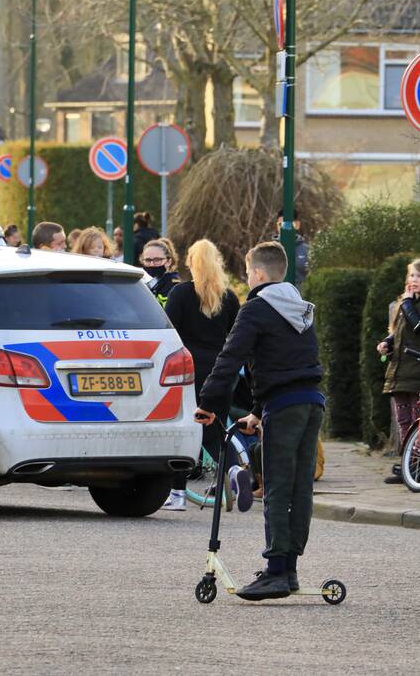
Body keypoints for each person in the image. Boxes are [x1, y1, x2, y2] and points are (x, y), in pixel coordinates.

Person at [195, 241, 324, 601]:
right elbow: (281, 362)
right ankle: (291, 567)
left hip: (285, 406)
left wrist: (207, 402)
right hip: (311, 402)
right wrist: (255, 409)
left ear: (259, 274)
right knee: (300, 488)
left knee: (277, 487)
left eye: (249, 272)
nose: (248, 278)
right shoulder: (299, 307)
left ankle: (277, 572)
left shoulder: (256, 309)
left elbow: (230, 357)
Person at [161, 240, 243, 511]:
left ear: (191, 263)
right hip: (221, 371)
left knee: (184, 429)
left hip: (190, 370)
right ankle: (233, 471)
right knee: (215, 429)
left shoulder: (181, 294)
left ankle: (178, 493)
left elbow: (168, 332)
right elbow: (236, 335)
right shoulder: (229, 298)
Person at [378, 259, 420, 484]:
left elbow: (419, 326)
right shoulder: (407, 304)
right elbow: (400, 332)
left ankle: (418, 467)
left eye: (418, 276)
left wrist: (406, 304)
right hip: (401, 371)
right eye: (410, 276)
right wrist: (387, 341)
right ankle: (408, 466)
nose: (412, 280)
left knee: (418, 422)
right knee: (404, 421)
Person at [141, 238, 180, 306]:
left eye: (157, 260)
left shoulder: (173, 286)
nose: (152, 264)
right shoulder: (139, 282)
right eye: (148, 260)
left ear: (168, 262)